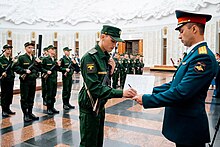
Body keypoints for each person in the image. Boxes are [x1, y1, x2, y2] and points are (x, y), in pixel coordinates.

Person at [132, 10, 218, 147]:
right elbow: (175, 84)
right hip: (183, 125)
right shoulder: (194, 54)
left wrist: (147, 99)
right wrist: (148, 90)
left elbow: (182, 92)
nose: (179, 36)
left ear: (194, 29)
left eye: (182, 31)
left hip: (189, 128)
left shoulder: (203, 57)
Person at [78, 25, 137, 147]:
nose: (114, 45)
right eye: (113, 41)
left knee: (98, 140)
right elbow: (95, 88)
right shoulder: (90, 57)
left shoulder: (105, 57)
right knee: (89, 142)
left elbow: (103, 82)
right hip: (90, 104)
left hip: (100, 103)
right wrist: (121, 93)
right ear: (102, 37)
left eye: (116, 42)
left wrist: (111, 71)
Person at [13, 42, 41, 122]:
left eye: (32, 48)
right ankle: (25, 114)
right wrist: (24, 70)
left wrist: (39, 64)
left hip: (32, 80)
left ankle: (30, 112)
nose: (31, 49)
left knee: (31, 97)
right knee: (24, 98)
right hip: (25, 81)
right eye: (29, 47)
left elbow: (38, 68)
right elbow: (16, 67)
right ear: (25, 48)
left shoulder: (34, 58)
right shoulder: (22, 58)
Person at [41, 45, 61, 115]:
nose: (54, 51)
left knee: (53, 94)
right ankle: (49, 108)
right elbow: (41, 68)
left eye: (54, 49)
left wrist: (58, 65)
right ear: (49, 50)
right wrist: (46, 71)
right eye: (52, 49)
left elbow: (58, 69)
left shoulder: (55, 59)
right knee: (49, 94)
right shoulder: (45, 59)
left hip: (54, 78)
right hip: (48, 79)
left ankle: (52, 107)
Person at [0, 44, 15, 117]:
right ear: (4, 50)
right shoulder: (1, 59)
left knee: (10, 94)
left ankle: (8, 108)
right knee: (4, 94)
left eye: (10, 49)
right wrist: (1, 72)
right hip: (4, 79)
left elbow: (13, 68)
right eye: (7, 49)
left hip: (11, 78)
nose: (9, 50)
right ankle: (4, 110)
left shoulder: (11, 59)